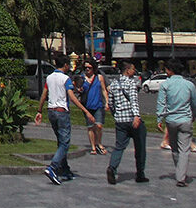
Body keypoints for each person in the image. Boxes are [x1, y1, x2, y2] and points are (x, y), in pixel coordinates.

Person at [35, 53, 96, 184]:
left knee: (61, 141)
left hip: (51, 111)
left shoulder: (49, 78)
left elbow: (44, 94)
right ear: (66, 65)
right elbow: (72, 97)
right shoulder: (65, 79)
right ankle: (53, 167)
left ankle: (65, 170)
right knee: (65, 143)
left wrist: (39, 110)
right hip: (62, 112)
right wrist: (86, 111)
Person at [157, 60, 196, 187]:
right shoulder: (189, 85)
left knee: (175, 149)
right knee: (184, 149)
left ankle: (179, 173)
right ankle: (181, 177)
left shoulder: (165, 85)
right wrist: (194, 115)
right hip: (185, 119)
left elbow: (161, 103)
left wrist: (159, 119)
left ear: (170, 70)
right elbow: (195, 102)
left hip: (171, 120)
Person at [107, 60, 149, 185]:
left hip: (120, 121)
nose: (134, 71)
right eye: (133, 69)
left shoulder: (114, 84)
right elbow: (133, 100)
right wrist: (136, 115)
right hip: (132, 119)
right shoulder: (131, 83)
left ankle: (112, 167)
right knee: (140, 147)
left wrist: (116, 115)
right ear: (127, 70)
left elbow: (110, 103)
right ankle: (140, 173)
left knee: (119, 147)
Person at [81, 59, 109, 155]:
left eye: (89, 67)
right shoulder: (82, 78)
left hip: (98, 105)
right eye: (85, 68)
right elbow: (78, 90)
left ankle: (99, 143)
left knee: (99, 125)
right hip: (87, 106)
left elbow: (104, 90)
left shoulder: (99, 77)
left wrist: (107, 102)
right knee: (90, 127)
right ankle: (93, 146)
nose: (87, 69)